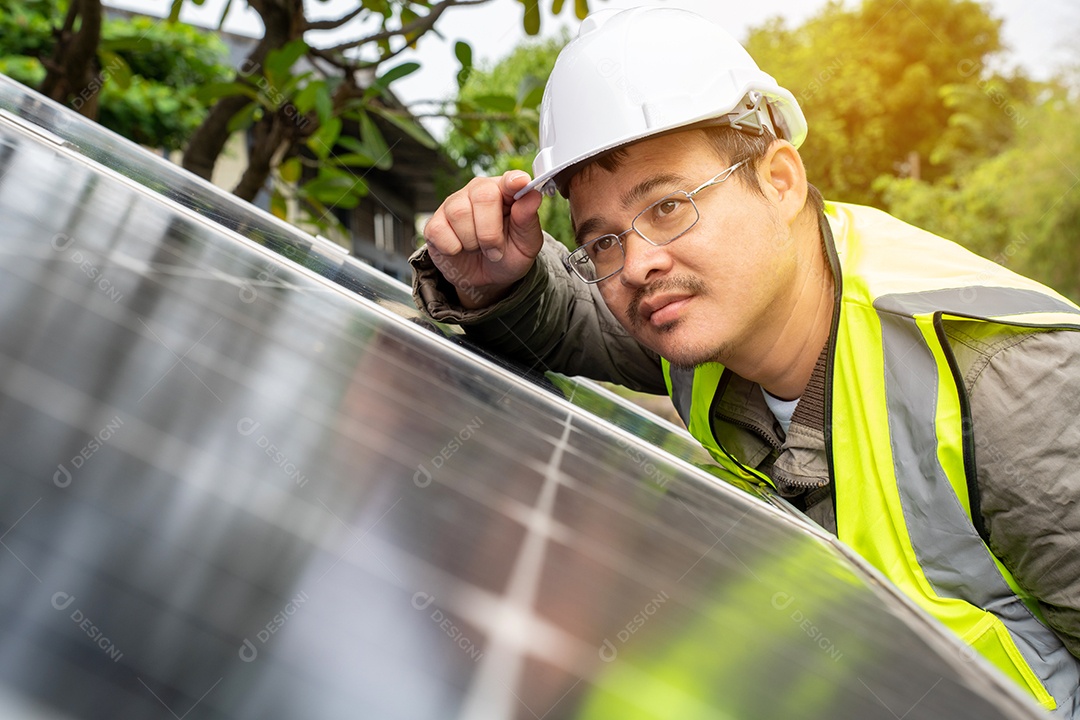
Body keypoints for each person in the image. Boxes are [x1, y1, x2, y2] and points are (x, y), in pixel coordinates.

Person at [410, 6, 1080, 714]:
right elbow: (572, 321)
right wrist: (492, 279)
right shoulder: (701, 324)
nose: (637, 264)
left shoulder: (1007, 384)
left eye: (668, 206)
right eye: (603, 241)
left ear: (782, 180)